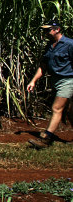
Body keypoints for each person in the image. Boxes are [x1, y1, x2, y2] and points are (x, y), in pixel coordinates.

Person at [26, 19, 73, 149]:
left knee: (56, 108)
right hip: (56, 81)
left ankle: (45, 139)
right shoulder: (50, 46)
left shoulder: (69, 44)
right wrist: (33, 81)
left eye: (48, 30)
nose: (45, 32)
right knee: (68, 111)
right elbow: (43, 65)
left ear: (57, 29)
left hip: (68, 80)